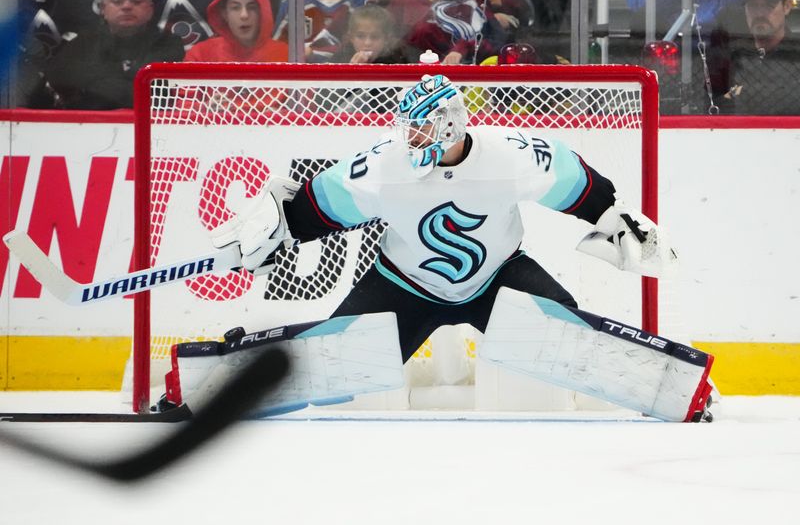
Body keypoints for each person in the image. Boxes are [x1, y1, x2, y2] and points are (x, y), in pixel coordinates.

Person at [212, 73, 680, 370]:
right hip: (403, 284)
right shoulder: (382, 167)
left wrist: (612, 218)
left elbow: (578, 184)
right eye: (407, 126)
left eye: (421, 127)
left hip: (500, 278)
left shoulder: (510, 157)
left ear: (451, 124)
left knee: (570, 342)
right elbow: (312, 209)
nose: (410, 138)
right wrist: (271, 232)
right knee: (340, 365)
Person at [43, 0, 184, 110]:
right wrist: (129, 74)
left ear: (150, 10)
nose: (127, 6)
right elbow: (58, 78)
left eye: (136, 1)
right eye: (117, 1)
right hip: (89, 128)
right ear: (103, 9)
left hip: (153, 129)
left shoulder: (169, 44)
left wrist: (94, 82)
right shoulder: (84, 42)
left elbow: (154, 93)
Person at [709, 0, 800, 114]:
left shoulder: (795, 54)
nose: (759, 14)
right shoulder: (733, 55)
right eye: (753, 6)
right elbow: (714, 102)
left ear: (787, 6)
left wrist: (741, 90)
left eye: (768, 6)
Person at [183, 0, 288, 62]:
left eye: (252, 7)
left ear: (262, 12)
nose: (244, 15)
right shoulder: (200, 55)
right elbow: (183, 94)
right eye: (235, 8)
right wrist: (208, 96)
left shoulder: (285, 55)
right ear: (225, 14)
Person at [333, 4, 410, 63]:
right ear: (351, 38)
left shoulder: (396, 61)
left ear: (386, 39)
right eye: (360, 36)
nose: (367, 43)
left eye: (375, 37)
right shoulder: (342, 57)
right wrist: (351, 70)